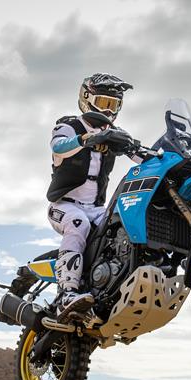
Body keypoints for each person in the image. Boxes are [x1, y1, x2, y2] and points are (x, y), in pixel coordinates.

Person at [46, 73, 136, 321]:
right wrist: (89, 138)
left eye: (113, 105)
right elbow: (59, 146)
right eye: (104, 102)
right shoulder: (69, 125)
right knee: (78, 225)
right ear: (87, 98)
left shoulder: (115, 132)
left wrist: (161, 157)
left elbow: (140, 155)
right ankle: (67, 293)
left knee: (121, 229)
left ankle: (108, 288)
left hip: (97, 208)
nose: (109, 110)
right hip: (64, 205)